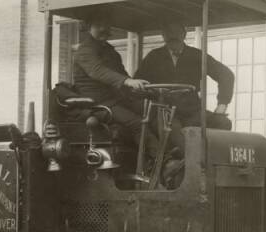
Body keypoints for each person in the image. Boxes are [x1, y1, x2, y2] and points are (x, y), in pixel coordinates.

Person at [134, 20, 234, 156]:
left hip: (192, 111)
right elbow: (138, 84)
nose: (172, 36)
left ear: (184, 34)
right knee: (173, 131)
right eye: (168, 33)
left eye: (176, 32)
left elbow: (226, 75)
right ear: (163, 35)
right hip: (164, 111)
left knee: (223, 122)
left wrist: (222, 104)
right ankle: (186, 165)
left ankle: (213, 164)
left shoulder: (197, 55)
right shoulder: (154, 57)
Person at [72, 14, 160, 157]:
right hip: (98, 103)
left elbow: (122, 75)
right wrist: (127, 81)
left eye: (106, 25)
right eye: (98, 25)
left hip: (116, 99)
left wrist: (145, 89)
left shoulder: (110, 51)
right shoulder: (85, 50)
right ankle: (159, 161)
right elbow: (97, 71)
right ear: (88, 27)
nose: (103, 29)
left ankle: (168, 151)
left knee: (154, 109)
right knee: (137, 123)